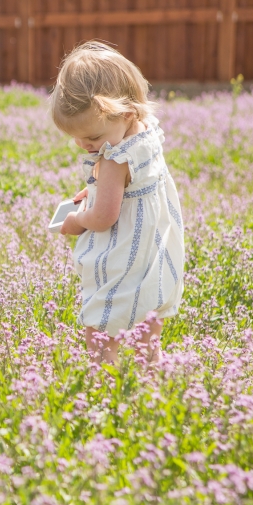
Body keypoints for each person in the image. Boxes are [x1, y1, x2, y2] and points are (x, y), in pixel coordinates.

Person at [50, 41, 185, 366]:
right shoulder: (145, 131)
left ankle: (102, 383)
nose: (83, 145)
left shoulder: (114, 159)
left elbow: (105, 217)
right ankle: (151, 380)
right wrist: (97, 192)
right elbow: (129, 188)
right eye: (76, 138)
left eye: (92, 138)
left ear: (125, 112)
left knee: (100, 330)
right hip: (154, 248)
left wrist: (77, 221)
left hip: (125, 254)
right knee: (148, 330)